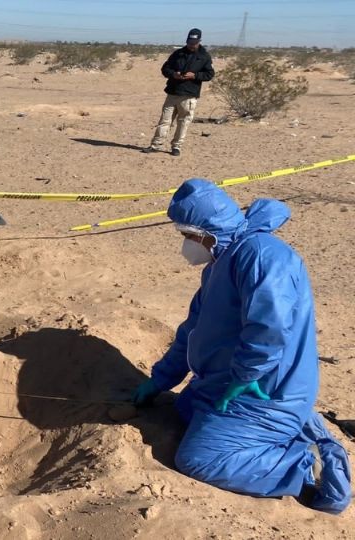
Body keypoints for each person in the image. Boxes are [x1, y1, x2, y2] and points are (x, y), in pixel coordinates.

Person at [132, 179, 351, 514]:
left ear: (206, 231)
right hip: (226, 380)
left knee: (199, 458)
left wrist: (246, 374)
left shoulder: (262, 255)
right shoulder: (220, 263)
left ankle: (308, 464)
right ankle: (296, 425)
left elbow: (270, 325)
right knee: (184, 410)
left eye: (188, 236)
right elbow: (192, 329)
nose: (187, 245)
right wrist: (160, 380)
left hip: (264, 390)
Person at [142, 28, 214, 157]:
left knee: (183, 122)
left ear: (199, 41)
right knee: (164, 121)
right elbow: (165, 69)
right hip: (173, 93)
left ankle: (176, 147)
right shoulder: (178, 54)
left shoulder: (204, 56)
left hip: (189, 95)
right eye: (190, 42)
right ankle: (155, 145)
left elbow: (209, 74)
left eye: (194, 42)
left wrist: (195, 75)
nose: (192, 45)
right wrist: (174, 74)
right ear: (187, 40)